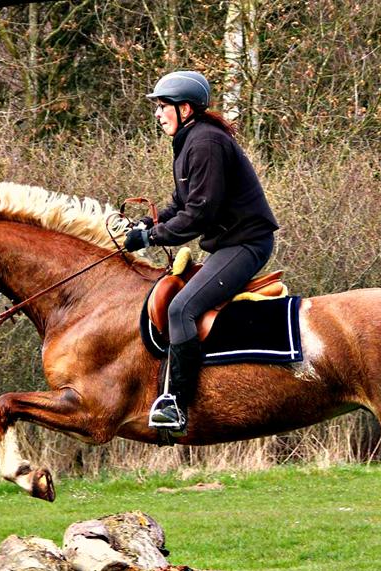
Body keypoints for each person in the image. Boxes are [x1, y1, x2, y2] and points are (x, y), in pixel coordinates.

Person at [123, 70, 279, 435]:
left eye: (163, 107)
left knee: (182, 308)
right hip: (229, 243)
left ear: (185, 108)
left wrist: (152, 238)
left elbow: (200, 214)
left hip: (245, 245)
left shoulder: (206, 142)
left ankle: (176, 403)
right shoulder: (188, 142)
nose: (158, 114)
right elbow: (181, 203)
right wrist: (147, 224)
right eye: (157, 108)